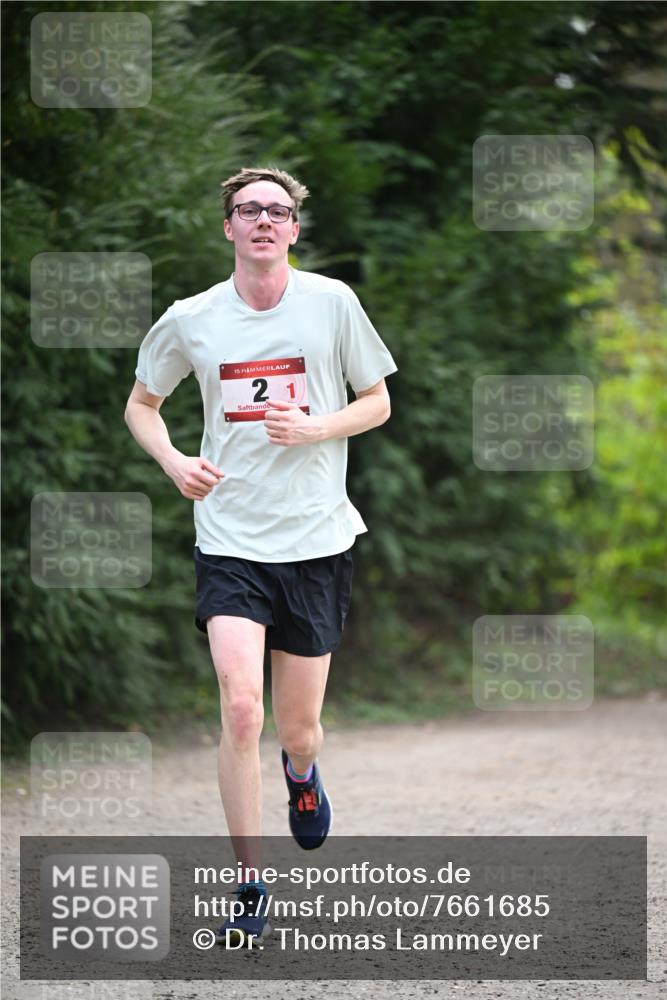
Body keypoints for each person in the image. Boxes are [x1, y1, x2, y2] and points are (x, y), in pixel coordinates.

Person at [124, 166, 397, 944]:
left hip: (315, 539)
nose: (264, 222)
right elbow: (142, 405)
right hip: (231, 539)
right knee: (242, 708)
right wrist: (176, 463)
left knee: (297, 730)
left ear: (294, 229)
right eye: (249, 210)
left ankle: (302, 777)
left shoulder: (332, 304)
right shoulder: (192, 318)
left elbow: (377, 401)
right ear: (228, 228)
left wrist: (317, 427)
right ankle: (249, 880)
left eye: (278, 211)